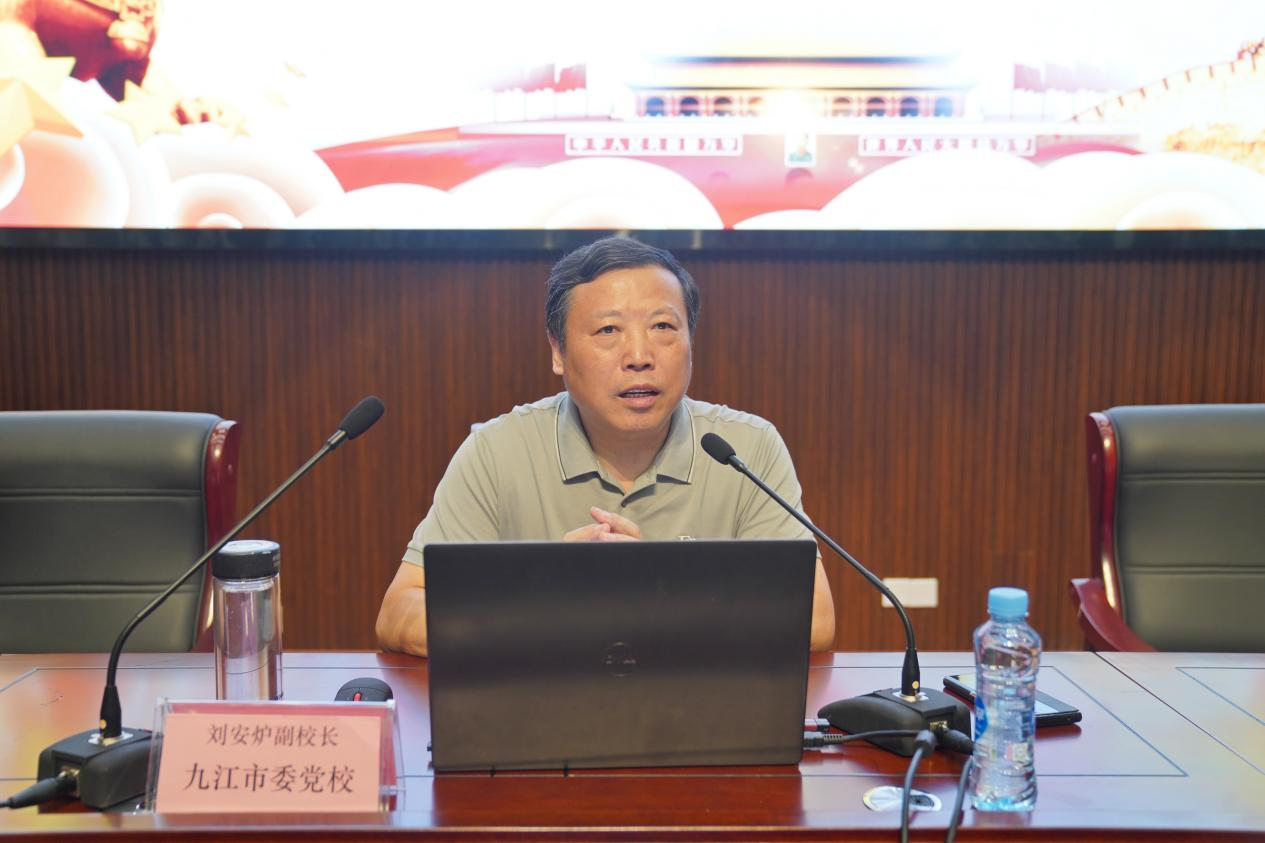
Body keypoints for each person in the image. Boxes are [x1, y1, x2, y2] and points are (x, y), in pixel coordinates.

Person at [375, 236, 835, 655]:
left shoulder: (745, 448)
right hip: (540, 710)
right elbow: (399, 614)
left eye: (663, 326)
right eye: (608, 331)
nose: (639, 356)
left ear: (691, 342)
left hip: (696, 710)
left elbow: (813, 619)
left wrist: (658, 592)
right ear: (558, 351)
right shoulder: (498, 450)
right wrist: (545, 598)